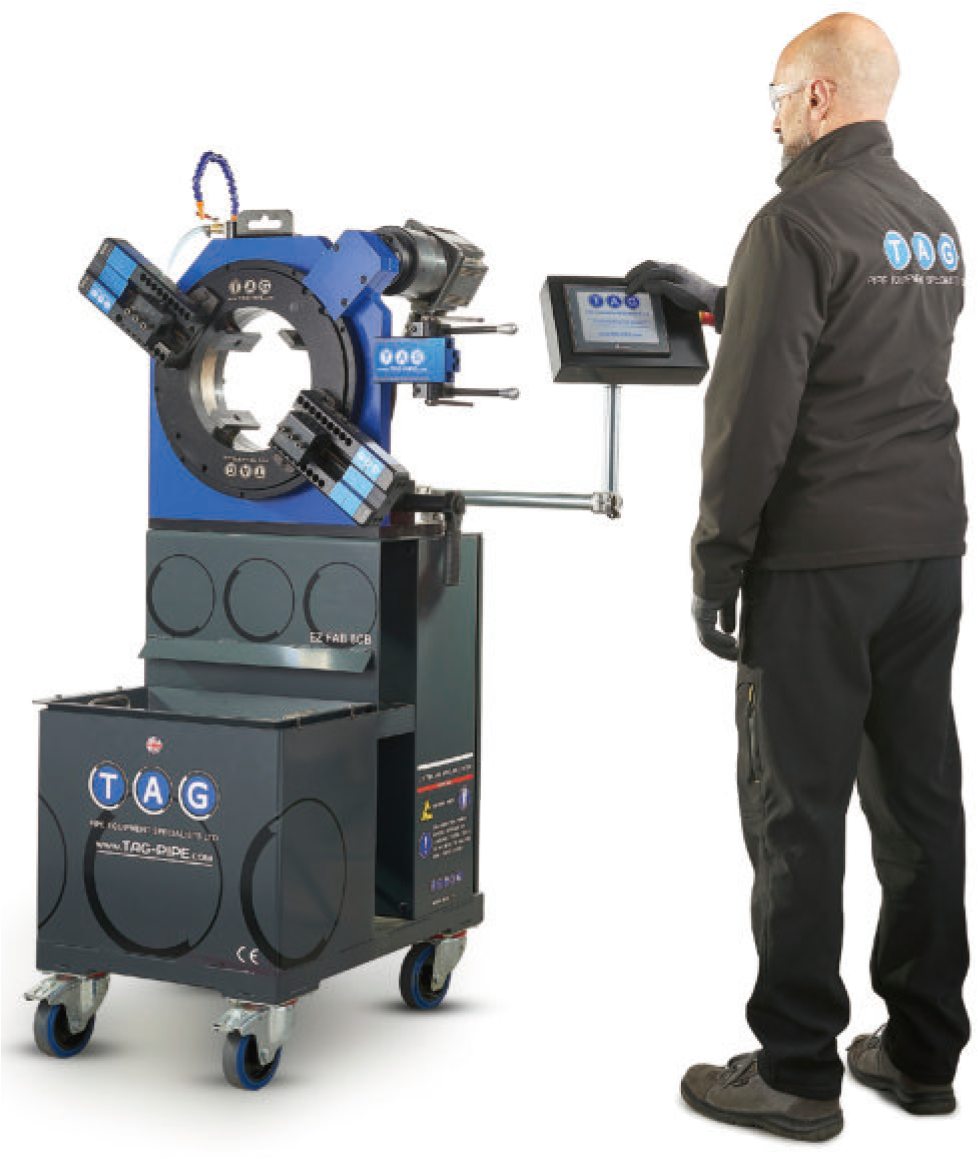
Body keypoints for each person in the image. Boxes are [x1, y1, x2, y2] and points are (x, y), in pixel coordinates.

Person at [626, 12, 968, 1143]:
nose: (771, 122)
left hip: (817, 561)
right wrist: (723, 299)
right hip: (927, 553)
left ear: (818, 96)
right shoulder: (930, 222)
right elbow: (861, 350)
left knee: (795, 813)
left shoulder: (792, 221)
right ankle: (922, 1052)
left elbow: (754, 414)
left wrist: (716, 555)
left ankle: (796, 1071)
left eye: (776, 98)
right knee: (919, 800)